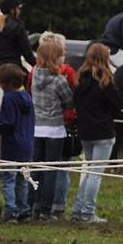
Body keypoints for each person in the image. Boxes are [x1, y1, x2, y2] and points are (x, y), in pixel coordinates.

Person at [71, 43, 122, 223]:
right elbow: (117, 107)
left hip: (85, 133)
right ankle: (87, 212)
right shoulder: (105, 82)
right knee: (95, 174)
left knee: (90, 172)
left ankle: (78, 210)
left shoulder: (79, 79)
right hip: (103, 132)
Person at [0, 64, 35, 222]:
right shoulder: (27, 96)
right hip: (27, 146)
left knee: (8, 180)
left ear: (9, 83)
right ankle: (24, 210)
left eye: (0, 82)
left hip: (12, 147)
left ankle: (11, 211)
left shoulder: (9, 98)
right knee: (22, 181)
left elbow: (8, 123)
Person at [29, 40, 74, 221]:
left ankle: (32, 205)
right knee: (51, 171)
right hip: (55, 129)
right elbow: (69, 101)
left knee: (35, 170)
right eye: (61, 55)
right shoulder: (59, 80)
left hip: (37, 128)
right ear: (55, 58)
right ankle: (46, 211)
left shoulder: (34, 76)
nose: (64, 58)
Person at [0, 0, 35, 69]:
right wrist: (35, 65)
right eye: (18, 8)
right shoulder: (18, 25)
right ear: (12, 10)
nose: (19, 11)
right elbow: (26, 51)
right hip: (11, 64)